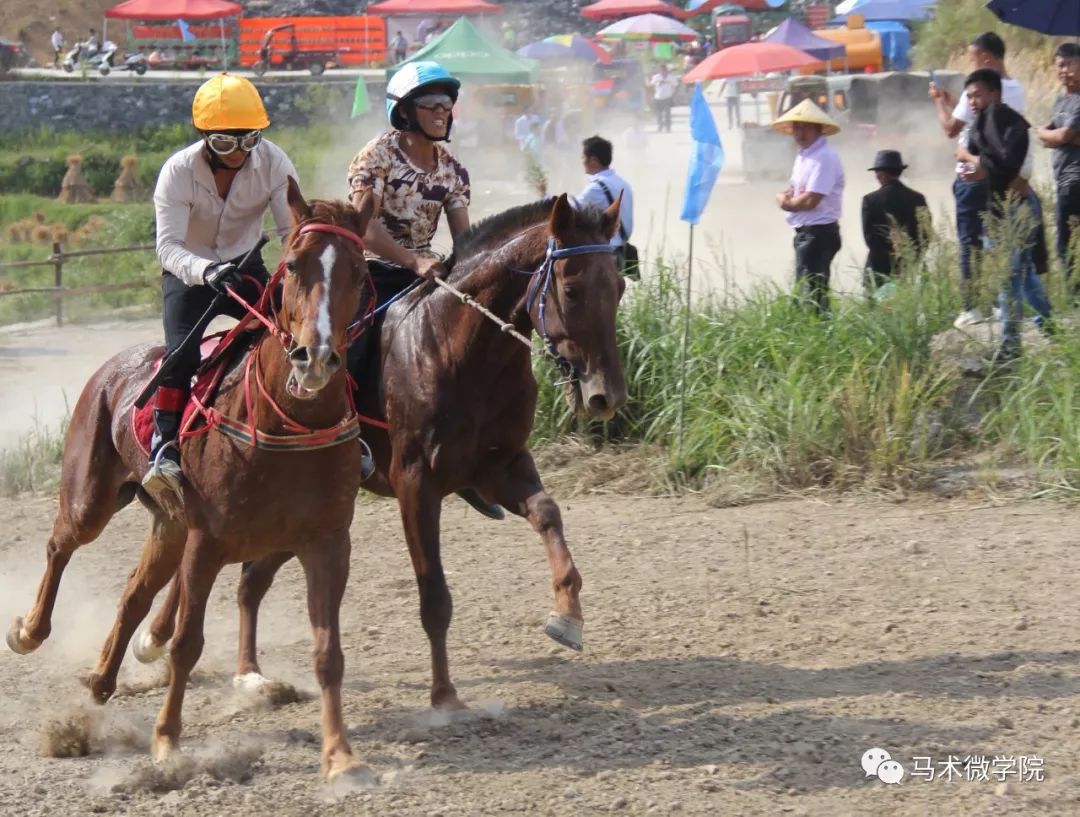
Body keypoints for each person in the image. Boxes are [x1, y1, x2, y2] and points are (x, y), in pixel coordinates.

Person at [345, 61, 502, 519]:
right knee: (351, 342)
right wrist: (413, 259)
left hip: (426, 271)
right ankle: (344, 436)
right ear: (405, 112)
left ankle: (467, 458)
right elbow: (364, 228)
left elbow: (464, 239)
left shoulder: (454, 171)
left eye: (447, 105)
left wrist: (475, 275)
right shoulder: (374, 157)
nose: (443, 113)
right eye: (432, 105)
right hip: (372, 270)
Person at [145, 73, 298, 500]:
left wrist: (294, 275)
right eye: (226, 144)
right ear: (205, 136)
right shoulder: (177, 171)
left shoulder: (275, 162)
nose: (240, 154)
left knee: (296, 336)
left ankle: (328, 425)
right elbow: (167, 247)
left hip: (246, 266)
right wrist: (205, 271)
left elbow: (291, 232)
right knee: (180, 353)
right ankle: (165, 445)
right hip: (188, 274)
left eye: (249, 140)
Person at [930, 32, 1028, 328]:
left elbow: (950, 128)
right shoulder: (1015, 89)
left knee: (969, 242)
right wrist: (956, 100)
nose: (972, 65)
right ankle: (1003, 303)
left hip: (972, 176)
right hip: (1001, 177)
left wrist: (938, 102)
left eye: (973, 59)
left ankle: (971, 306)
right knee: (999, 240)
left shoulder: (981, 89)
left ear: (985, 58)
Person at [956, 69, 1052, 361]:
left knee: (1009, 278)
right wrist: (974, 166)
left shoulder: (1006, 121)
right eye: (969, 96)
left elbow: (1004, 167)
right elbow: (979, 166)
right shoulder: (984, 124)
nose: (972, 101)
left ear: (994, 94)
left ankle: (1011, 346)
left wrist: (972, 160)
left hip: (1015, 207)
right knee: (1023, 276)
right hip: (1001, 208)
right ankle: (1050, 327)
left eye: (977, 95)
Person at [772, 100, 845, 316]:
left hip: (819, 232)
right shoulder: (805, 155)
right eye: (797, 127)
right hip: (807, 232)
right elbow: (797, 189)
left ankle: (822, 332)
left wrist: (785, 203)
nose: (799, 133)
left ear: (819, 129)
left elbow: (811, 199)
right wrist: (785, 196)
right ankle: (816, 329)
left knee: (813, 293)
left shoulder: (824, 157)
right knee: (807, 289)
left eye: (805, 127)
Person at [1036, 42, 1080, 290]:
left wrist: (1054, 135)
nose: (1063, 70)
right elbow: (1048, 136)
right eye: (1059, 66)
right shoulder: (1062, 100)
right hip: (1063, 176)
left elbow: (1060, 136)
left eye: (1068, 64)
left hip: (1075, 178)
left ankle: (1074, 298)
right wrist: (1053, 135)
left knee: (1066, 241)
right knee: (1067, 240)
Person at [861, 150, 930, 291]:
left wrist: (891, 263)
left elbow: (871, 239)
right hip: (912, 267)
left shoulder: (870, 200)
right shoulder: (918, 198)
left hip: (880, 270)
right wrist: (905, 263)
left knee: (876, 307)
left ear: (881, 175)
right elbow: (925, 235)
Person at [577, 135, 635, 275]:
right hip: (622, 251)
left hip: (606, 254)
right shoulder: (623, 183)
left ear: (594, 160)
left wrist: (545, 195)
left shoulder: (596, 188)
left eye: (583, 157)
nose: (582, 161)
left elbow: (571, 209)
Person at [649, 64, 678, 133]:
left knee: (667, 113)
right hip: (658, 97)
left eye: (665, 70)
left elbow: (675, 85)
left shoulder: (671, 77)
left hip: (667, 97)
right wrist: (658, 82)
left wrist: (673, 93)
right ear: (660, 70)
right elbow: (651, 84)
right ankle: (660, 126)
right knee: (659, 114)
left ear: (666, 70)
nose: (663, 72)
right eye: (662, 70)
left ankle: (668, 127)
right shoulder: (656, 77)